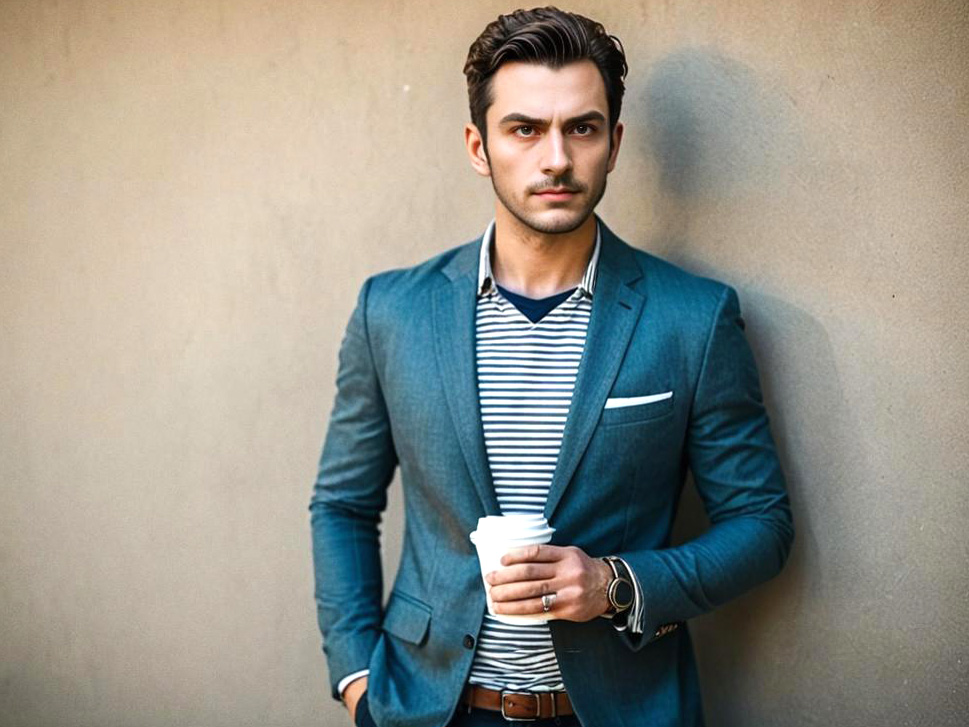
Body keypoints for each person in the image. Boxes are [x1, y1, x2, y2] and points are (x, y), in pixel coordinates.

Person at [309, 7, 794, 727]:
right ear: (479, 146)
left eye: (582, 128)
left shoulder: (692, 318)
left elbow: (759, 522)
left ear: (614, 142)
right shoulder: (392, 311)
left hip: (619, 710)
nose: (556, 158)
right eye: (524, 129)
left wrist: (614, 583)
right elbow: (343, 503)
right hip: (431, 708)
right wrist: (356, 676)